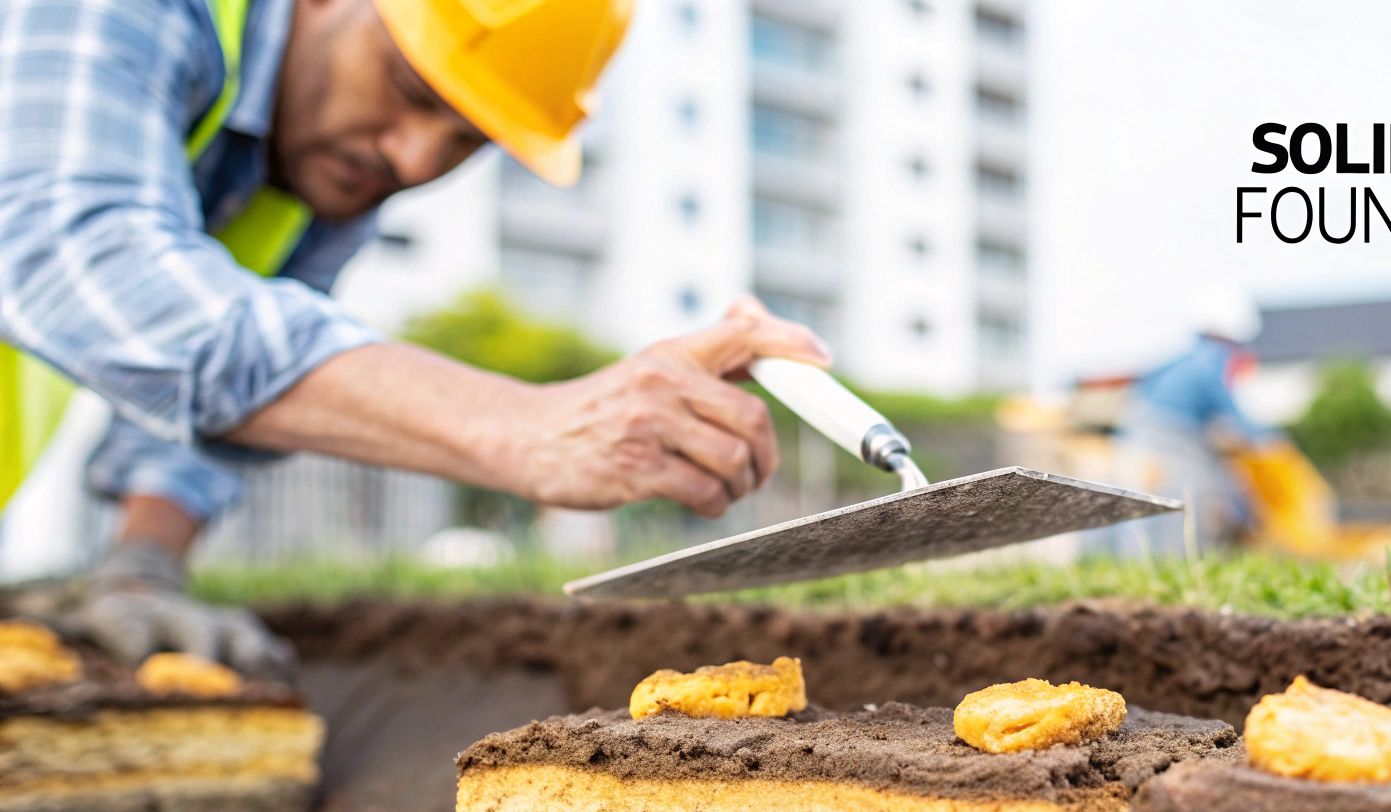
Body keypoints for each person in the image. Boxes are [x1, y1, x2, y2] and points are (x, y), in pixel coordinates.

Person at [0, 0, 832, 675]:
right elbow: (69, 250)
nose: (412, 156)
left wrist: (144, 561)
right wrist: (520, 425)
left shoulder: (313, 167)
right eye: (408, 83)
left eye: (468, 136)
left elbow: (240, 392)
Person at [1112, 284, 1274, 553]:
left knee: (1142, 501)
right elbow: (1230, 410)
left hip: (1138, 431)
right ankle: (1179, 561)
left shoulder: (1184, 358)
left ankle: (1140, 563)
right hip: (1173, 439)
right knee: (1190, 496)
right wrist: (1267, 438)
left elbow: (1142, 384)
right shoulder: (1212, 360)